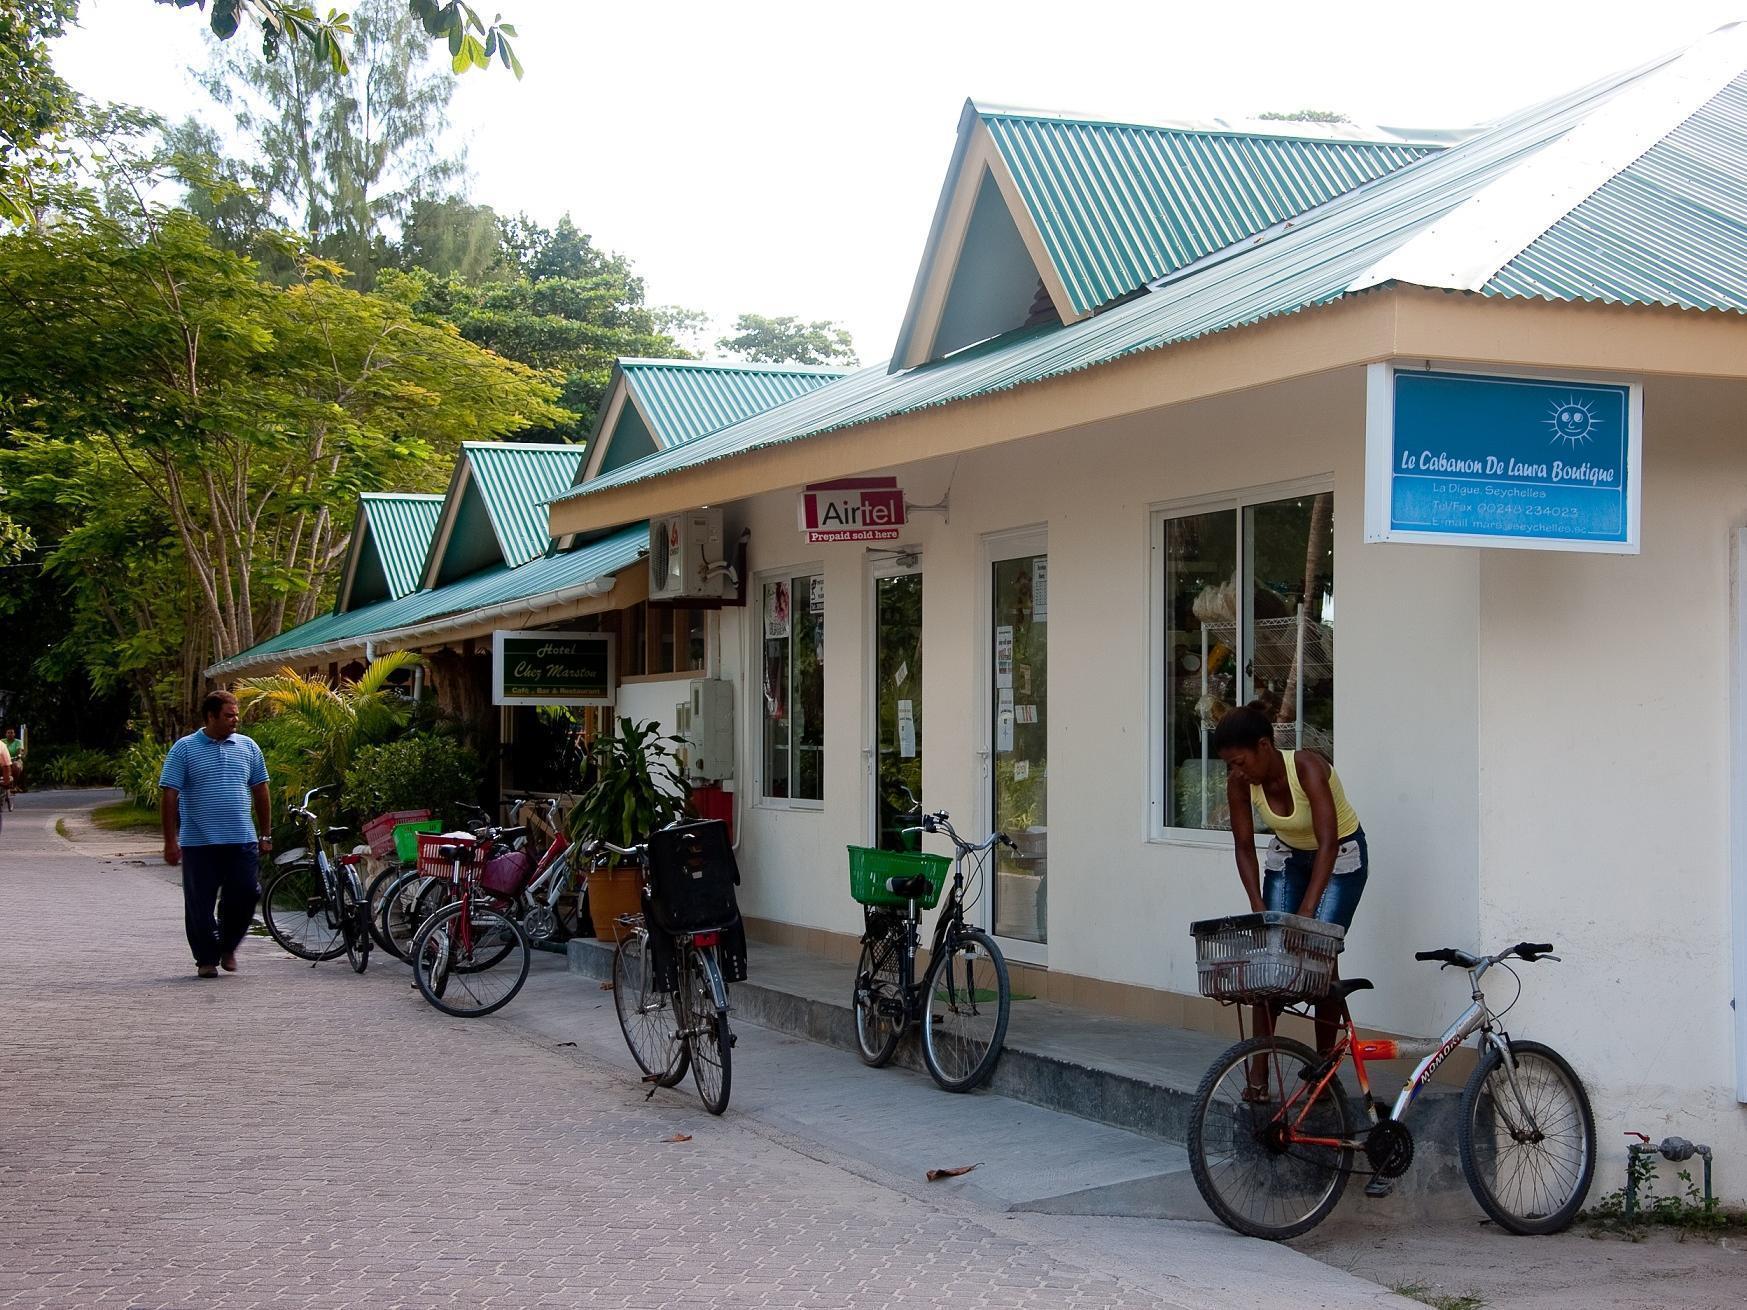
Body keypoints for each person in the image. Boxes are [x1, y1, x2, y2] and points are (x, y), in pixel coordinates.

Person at [1215, 701, 1368, 1071]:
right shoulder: (1240, 782)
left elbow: (1328, 844)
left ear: (1265, 746)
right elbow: (1243, 846)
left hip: (1340, 856)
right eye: (1229, 765)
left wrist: (1305, 915)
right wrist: (1257, 906)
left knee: (1319, 953)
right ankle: (1258, 1073)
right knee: (1272, 958)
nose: (1236, 771)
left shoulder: (1308, 768)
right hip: (1288, 857)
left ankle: (1323, 1070)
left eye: (1240, 761)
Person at [159, 691, 272, 979]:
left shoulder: (248, 747)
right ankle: (206, 959)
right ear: (210, 717)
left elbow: (260, 790)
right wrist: (170, 842)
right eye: (229, 715)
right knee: (200, 903)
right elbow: (169, 795)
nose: (235, 720)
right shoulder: (184, 749)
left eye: (236, 715)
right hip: (199, 842)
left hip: (242, 839)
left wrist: (265, 833)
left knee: (247, 893)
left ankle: (228, 946)